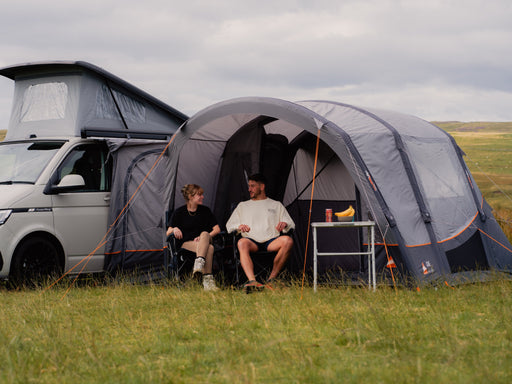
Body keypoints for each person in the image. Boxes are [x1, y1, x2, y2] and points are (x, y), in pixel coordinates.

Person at [226, 173, 295, 291]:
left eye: (252, 186)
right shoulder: (243, 206)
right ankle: (253, 281)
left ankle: (271, 281)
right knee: (241, 243)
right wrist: (239, 226)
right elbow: (229, 225)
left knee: (288, 241)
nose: (249, 189)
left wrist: (285, 224)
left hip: (271, 241)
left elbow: (290, 224)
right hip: (251, 241)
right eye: (249, 186)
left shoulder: (276, 205)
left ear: (262, 187)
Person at [166, 184, 220, 291]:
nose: (202, 197)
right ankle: (207, 281)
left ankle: (199, 264)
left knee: (204, 233)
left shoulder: (205, 211)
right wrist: (174, 229)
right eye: (199, 195)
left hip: (204, 239)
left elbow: (217, 229)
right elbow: (168, 232)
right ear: (190, 197)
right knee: (210, 248)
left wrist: (203, 238)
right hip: (187, 243)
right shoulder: (179, 212)